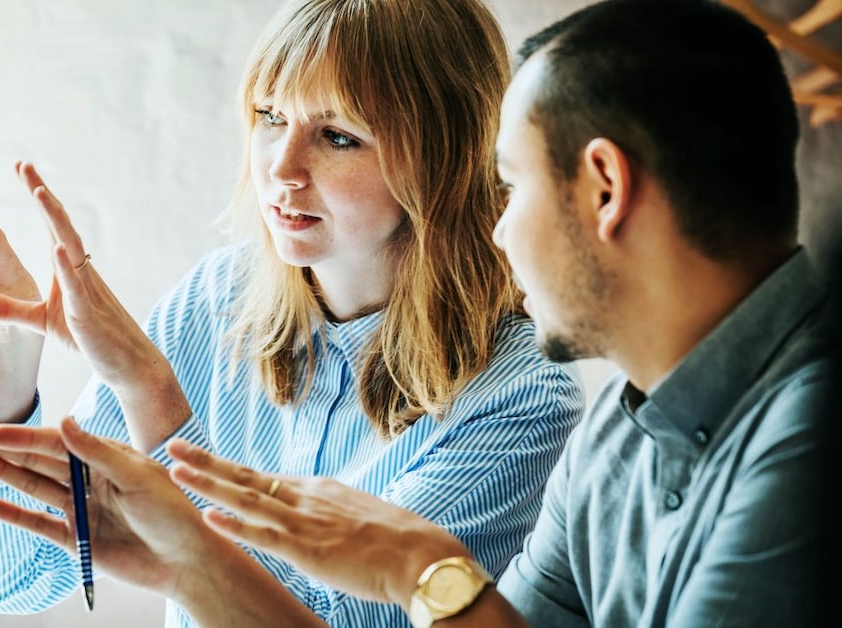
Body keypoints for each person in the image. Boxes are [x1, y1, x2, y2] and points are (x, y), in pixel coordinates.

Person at [0, 0, 584, 625]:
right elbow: (2, 577)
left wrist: (152, 397)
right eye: (270, 117)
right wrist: (5, 340)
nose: (281, 167)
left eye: (338, 135)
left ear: (443, 158)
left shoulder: (523, 393)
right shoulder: (218, 299)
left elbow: (326, 621)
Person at [154, 0, 836, 625]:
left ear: (606, 189)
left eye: (512, 185)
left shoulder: (813, 439)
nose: (499, 231)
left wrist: (420, 570)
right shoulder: (617, 431)